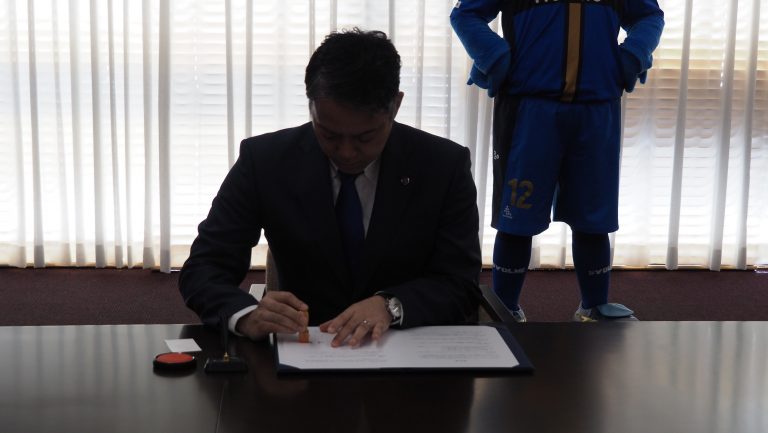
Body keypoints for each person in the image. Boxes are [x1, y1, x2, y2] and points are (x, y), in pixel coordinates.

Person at [179, 29, 482, 347]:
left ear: (395, 105)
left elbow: (460, 283)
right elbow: (204, 267)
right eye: (329, 134)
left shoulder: (442, 166)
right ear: (311, 106)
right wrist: (245, 315)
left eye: (365, 137)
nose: (347, 152)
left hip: (406, 351)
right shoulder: (266, 161)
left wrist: (391, 305)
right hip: (304, 349)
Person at [451, 1, 664, 321]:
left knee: (594, 216)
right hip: (528, 108)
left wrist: (632, 55)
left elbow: (648, 16)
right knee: (516, 217)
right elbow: (466, 14)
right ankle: (504, 308)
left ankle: (594, 307)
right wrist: (495, 56)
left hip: (596, 109)